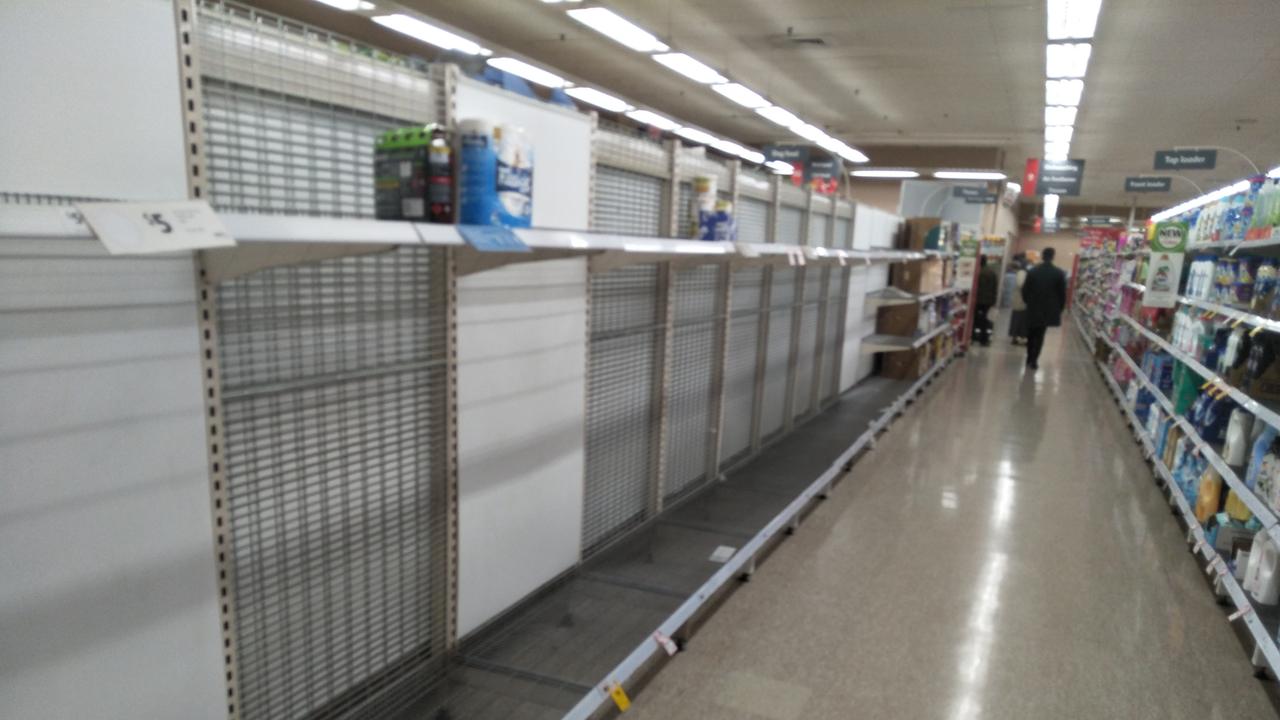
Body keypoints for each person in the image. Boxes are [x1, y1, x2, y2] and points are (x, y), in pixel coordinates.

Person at [1021, 247, 1067, 370]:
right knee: (1040, 334)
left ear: (1042, 256)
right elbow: (1062, 294)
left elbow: (1025, 290)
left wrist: (1028, 302)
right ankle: (1034, 360)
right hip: (1048, 309)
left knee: (1031, 333)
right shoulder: (1058, 273)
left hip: (1033, 307)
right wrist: (1060, 308)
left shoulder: (1033, 271)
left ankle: (1029, 357)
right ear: (1053, 257)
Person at [973, 256, 999, 346]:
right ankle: (984, 339)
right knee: (986, 320)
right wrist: (994, 300)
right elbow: (995, 287)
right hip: (988, 300)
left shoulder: (977, 272)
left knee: (975, 318)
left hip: (977, 299)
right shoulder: (992, 272)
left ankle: (974, 336)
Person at [1008, 254, 1029, 344]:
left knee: (1019, 319)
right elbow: (1021, 285)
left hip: (1020, 300)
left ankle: (1017, 336)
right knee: (1019, 320)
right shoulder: (1022, 273)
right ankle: (1016, 337)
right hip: (1021, 301)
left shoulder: (1021, 272)